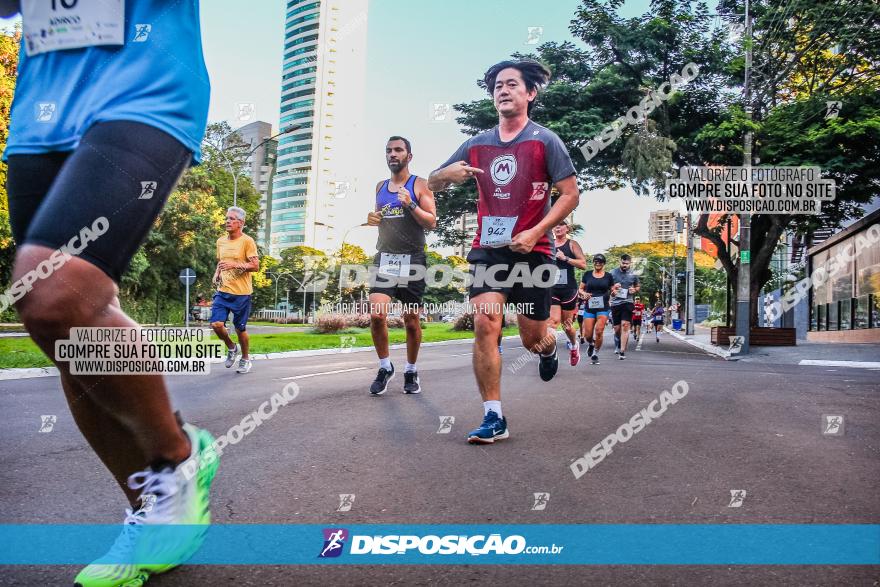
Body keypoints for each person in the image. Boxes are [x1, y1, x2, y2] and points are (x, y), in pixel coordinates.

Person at [2, 1, 218, 584]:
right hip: (41, 112)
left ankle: (176, 457)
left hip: (143, 90)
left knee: (54, 292)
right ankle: (152, 512)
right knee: (68, 333)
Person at [428, 59, 578, 444]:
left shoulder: (546, 140)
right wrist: (445, 175)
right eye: (497, 86)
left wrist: (536, 231)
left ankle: (547, 351)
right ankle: (493, 416)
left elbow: (570, 195)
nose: (503, 90)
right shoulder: (476, 143)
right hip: (488, 251)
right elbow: (431, 183)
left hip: (535, 252)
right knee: (485, 324)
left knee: (532, 338)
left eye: (512, 84)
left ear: (530, 93)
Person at [366, 136, 436, 395]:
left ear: (409, 156)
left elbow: (431, 222)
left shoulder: (420, 184)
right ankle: (385, 366)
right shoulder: (380, 187)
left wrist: (411, 204)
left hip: (413, 258)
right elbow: (380, 218)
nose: (392, 154)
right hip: (385, 257)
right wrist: (373, 218)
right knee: (376, 315)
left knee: (411, 319)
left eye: (398, 150)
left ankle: (411, 369)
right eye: (388, 151)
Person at [210, 207, 259, 374]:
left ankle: (246, 359)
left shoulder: (247, 241)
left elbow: (255, 266)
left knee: (240, 329)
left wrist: (235, 265)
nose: (227, 221)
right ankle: (231, 347)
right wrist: (216, 273)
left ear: (241, 223)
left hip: (242, 294)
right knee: (216, 324)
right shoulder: (220, 241)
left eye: (231, 219)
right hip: (223, 290)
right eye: (226, 218)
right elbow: (222, 262)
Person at [549, 220, 586, 365]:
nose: (558, 227)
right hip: (552, 287)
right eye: (555, 225)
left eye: (561, 225)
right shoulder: (549, 244)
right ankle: (550, 354)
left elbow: (583, 264)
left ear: (567, 228)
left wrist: (565, 258)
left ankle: (573, 345)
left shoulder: (572, 244)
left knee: (567, 326)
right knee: (552, 323)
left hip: (568, 289)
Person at [578, 254, 614, 364]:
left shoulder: (608, 276)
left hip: (603, 307)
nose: (598, 263)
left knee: (599, 331)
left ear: (604, 263)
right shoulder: (587, 274)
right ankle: (591, 344)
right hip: (590, 307)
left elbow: (612, 290)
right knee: (588, 335)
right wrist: (584, 294)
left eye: (600, 262)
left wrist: (615, 291)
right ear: (593, 262)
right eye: (596, 261)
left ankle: (595, 354)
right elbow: (580, 289)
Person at [609, 254, 640, 360]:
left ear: (630, 263)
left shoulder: (634, 274)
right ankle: (618, 341)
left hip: (628, 302)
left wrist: (634, 290)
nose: (625, 265)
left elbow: (637, 286)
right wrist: (613, 289)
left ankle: (622, 351)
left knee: (625, 325)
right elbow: (607, 287)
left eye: (627, 263)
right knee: (617, 329)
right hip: (615, 303)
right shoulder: (612, 273)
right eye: (623, 263)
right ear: (619, 261)